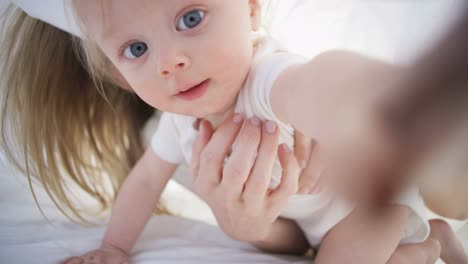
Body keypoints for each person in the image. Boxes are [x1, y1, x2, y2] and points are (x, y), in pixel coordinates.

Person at [0, 1, 463, 263]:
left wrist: (383, 105)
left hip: (365, 211)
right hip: (311, 232)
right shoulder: (178, 122)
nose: (169, 62)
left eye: (191, 18)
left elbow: (316, 82)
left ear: (250, 10)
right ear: (121, 78)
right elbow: (143, 182)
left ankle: (432, 237)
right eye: (136, 49)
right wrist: (114, 248)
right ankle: (436, 240)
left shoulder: (264, 77)